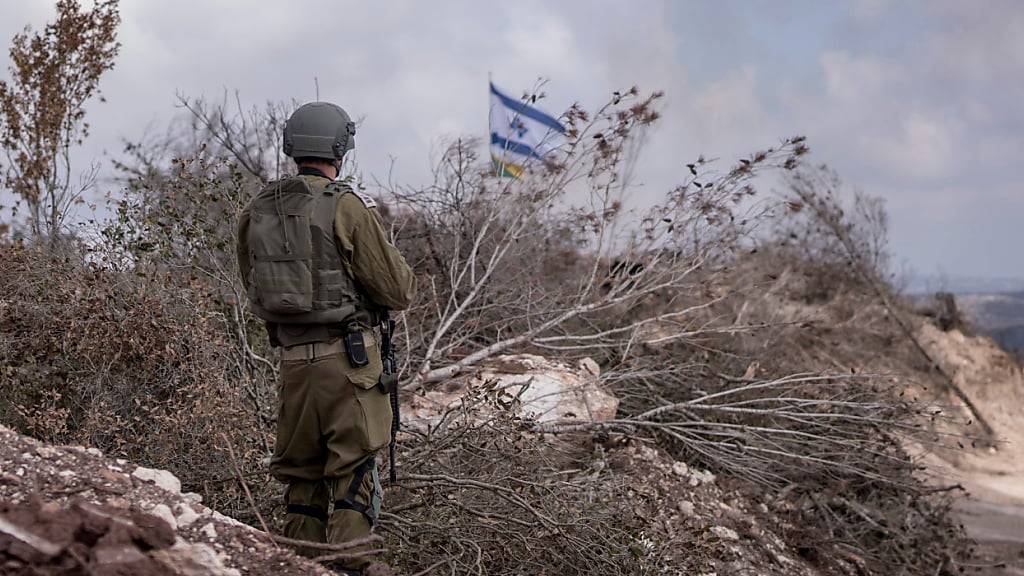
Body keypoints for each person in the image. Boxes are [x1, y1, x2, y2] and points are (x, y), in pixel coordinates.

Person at [236, 101, 415, 575]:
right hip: (350, 364)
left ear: (292, 146)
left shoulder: (256, 210)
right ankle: (348, 565)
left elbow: (249, 280)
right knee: (353, 470)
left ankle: (298, 566)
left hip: (293, 364)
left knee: (301, 478)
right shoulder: (346, 205)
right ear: (340, 148)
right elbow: (397, 290)